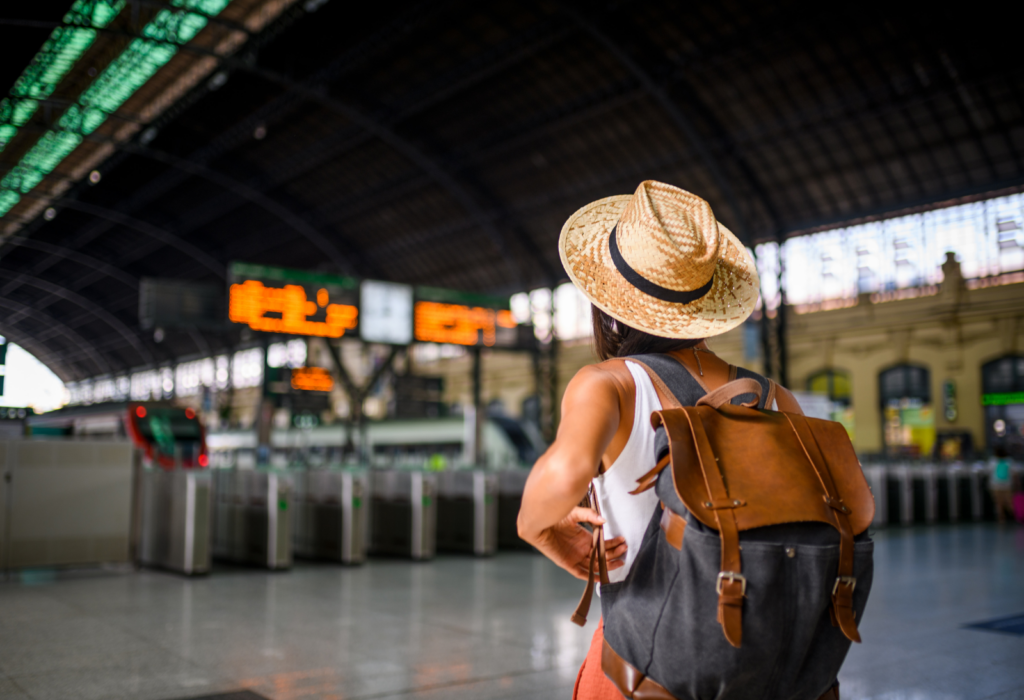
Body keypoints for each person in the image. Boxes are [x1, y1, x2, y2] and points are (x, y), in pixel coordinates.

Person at [517, 181, 799, 699]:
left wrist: (545, 532)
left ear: (607, 300)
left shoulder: (611, 384)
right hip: (766, 665)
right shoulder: (775, 396)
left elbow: (556, 479)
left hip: (643, 665)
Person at [989, 446, 1014, 524]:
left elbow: (988, 471)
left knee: (998, 502)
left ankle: (1001, 518)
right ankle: (1015, 516)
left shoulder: (993, 461)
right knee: (1009, 501)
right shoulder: (1009, 461)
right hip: (1007, 484)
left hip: (995, 484)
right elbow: (1014, 472)